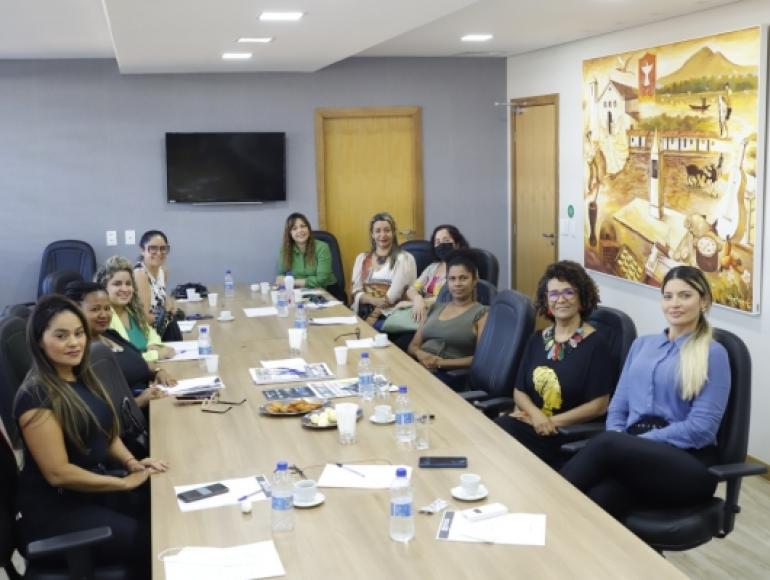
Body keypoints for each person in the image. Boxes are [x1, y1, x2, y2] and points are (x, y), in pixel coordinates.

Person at [12, 295, 168, 577]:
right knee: (153, 540)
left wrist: (133, 464)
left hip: (89, 491)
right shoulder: (36, 396)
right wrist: (121, 483)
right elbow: (59, 473)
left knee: (163, 505)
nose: (74, 343)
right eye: (61, 336)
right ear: (39, 341)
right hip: (57, 512)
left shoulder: (80, 375)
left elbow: (106, 433)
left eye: (78, 333)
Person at [560, 266, 730, 520]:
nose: (675, 304)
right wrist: (621, 436)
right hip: (633, 455)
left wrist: (632, 442)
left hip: (687, 463)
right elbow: (619, 405)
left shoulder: (713, 353)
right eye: (668, 296)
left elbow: (701, 428)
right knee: (600, 499)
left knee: (607, 443)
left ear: (703, 301)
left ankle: (543, 508)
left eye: (685, 296)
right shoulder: (642, 345)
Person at [494, 261, 616, 470]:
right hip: (534, 425)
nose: (560, 300)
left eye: (568, 292)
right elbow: (519, 391)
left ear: (582, 296)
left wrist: (551, 422)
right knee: (491, 431)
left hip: (564, 436)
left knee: (500, 433)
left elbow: (599, 406)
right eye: (553, 294)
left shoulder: (597, 345)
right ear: (546, 299)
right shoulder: (537, 339)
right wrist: (536, 416)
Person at [64, 281, 175, 407]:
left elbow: (139, 362)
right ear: (75, 311)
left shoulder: (110, 334)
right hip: (135, 412)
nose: (104, 315)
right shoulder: (83, 352)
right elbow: (101, 408)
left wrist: (158, 372)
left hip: (153, 400)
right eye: (95, 309)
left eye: (107, 308)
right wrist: (140, 401)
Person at [407, 252, 487, 390]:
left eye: (463, 278)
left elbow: (480, 359)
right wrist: (421, 355)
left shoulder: (482, 313)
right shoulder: (434, 308)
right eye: (452, 279)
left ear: (475, 281)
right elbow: (413, 346)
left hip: (449, 375)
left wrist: (439, 363)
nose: (457, 284)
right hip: (420, 366)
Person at [97, 256, 175, 363]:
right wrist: (156, 354)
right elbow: (122, 359)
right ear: (103, 287)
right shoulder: (103, 319)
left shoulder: (132, 310)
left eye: (128, 284)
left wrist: (154, 345)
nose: (125, 289)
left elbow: (152, 334)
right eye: (117, 284)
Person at [350, 212, 417, 326]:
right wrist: (372, 300)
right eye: (378, 231)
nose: (383, 235)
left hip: (391, 315)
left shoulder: (404, 259)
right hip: (364, 312)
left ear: (393, 232)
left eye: (387, 230)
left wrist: (372, 317)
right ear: (372, 234)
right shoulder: (362, 259)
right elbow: (355, 291)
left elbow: (394, 295)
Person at [398, 224, 469, 324]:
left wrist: (415, 303)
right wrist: (417, 299)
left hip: (446, 317)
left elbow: (450, 299)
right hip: (423, 313)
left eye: (446, 240)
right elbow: (412, 289)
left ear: (457, 244)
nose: (441, 245)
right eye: (437, 242)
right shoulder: (432, 267)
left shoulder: (466, 268)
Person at [133, 230, 182, 341]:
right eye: (153, 248)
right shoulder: (140, 274)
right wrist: (167, 315)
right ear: (142, 250)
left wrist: (170, 309)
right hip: (149, 335)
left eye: (163, 248)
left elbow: (165, 301)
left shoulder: (163, 271)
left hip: (163, 329)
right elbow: (144, 318)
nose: (159, 253)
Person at [275, 212, 336, 290]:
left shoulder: (322, 247)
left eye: (303, 226)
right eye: (294, 228)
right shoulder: (285, 250)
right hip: (299, 291)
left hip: (326, 290)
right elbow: (281, 276)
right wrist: (283, 280)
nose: (300, 230)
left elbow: (322, 279)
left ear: (308, 228)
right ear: (290, 233)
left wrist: (293, 282)